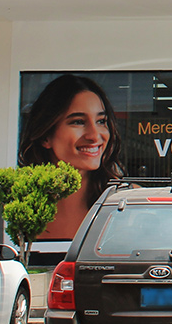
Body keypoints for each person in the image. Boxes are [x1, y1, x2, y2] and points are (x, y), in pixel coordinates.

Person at [19, 74, 123, 240]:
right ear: (46, 136)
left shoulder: (127, 200)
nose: (94, 136)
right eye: (78, 122)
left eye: (101, 121)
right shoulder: (19, 203)